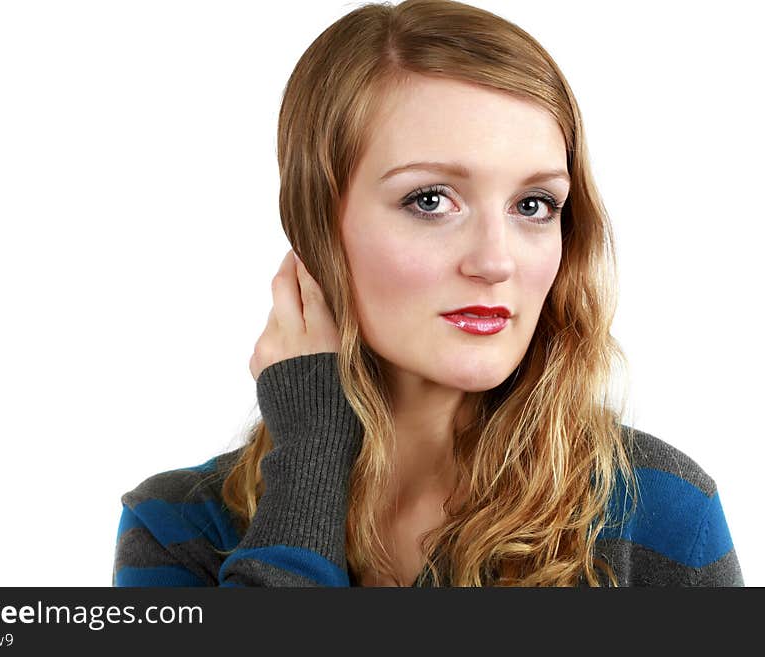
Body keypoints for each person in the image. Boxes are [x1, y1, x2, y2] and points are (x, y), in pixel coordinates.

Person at [112, 0, 744, 587]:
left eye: (534, 204)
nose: (495, 261)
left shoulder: (659, 512)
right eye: (431, 200)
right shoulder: (177, 529)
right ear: (316, 224)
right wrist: (309, 463)